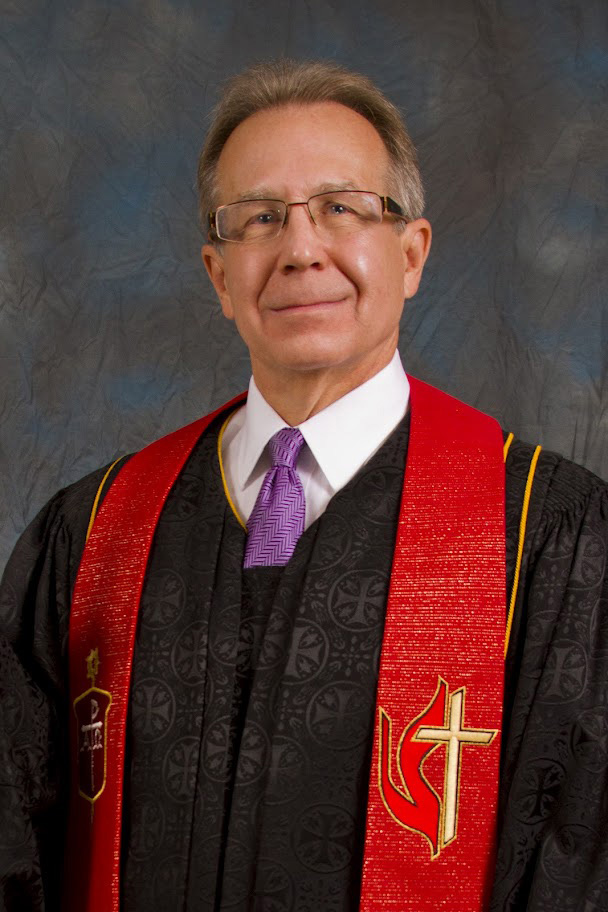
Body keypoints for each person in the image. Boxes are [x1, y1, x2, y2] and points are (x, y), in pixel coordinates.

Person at [0, 58, 607, 912]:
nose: (299, 249)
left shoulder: (547, 534)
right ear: (218, 275)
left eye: (341, 208)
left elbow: (578, 860)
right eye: (259, 219)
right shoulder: (93, 533)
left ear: (411, 254)